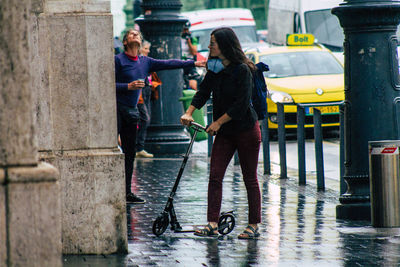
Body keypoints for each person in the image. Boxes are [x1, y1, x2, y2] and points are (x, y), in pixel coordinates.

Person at [180, 27, 262, 239]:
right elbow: (203, 92)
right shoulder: (215, 68)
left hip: (246, 130)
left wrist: (217, 122)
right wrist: (189, 112)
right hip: (225, 133)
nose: (209, 46)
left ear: (224, 46)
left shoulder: (242, 69)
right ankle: (212, 224)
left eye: (213, 43)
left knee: (249, 179)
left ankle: (254, 225)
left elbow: (241, 104)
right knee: (215, 176)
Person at [115, 29, 205, 204]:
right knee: (113, 149)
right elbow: (107, 82)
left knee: (130, 152)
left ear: (140, 41)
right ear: (125, 42)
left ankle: (126, 192)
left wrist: (192, 63)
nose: (135, 36)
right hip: (117, 109)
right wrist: (128, 86)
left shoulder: (145, 61)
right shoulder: (118, 60)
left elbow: (169, 63)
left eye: (137, 34)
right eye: (131, 34)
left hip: (132, 111)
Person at [136, 40, 155, 158]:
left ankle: (139, 147)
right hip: (141, 92)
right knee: (145, 118)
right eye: (146, 48)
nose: (148, 51)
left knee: (145, 118)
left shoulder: (145, 61)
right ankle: (138, 147)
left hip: (146, 90)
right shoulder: (139, 61)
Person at [181, 21, 200, 90]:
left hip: (189, 63)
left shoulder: (192, 39)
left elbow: (194, 53)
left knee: (193, 85)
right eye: (184, 30)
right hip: (180, 63)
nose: (185, 32)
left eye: (187, 30)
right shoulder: (177, 39)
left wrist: (188, 41)